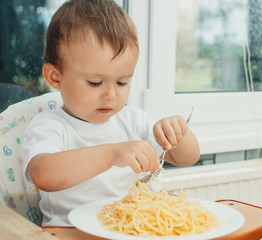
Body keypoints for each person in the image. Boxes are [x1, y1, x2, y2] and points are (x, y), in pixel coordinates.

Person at [22, 0, 200, 226]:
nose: (111, 95)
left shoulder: (133, 121)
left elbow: (187, 158)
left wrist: (179, 134)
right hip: (70, 232)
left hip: (131, 228)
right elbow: (43, 174)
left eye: (122, 82)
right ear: (55, 77)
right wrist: (112, 155)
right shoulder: (50, 125)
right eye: (95, 83)